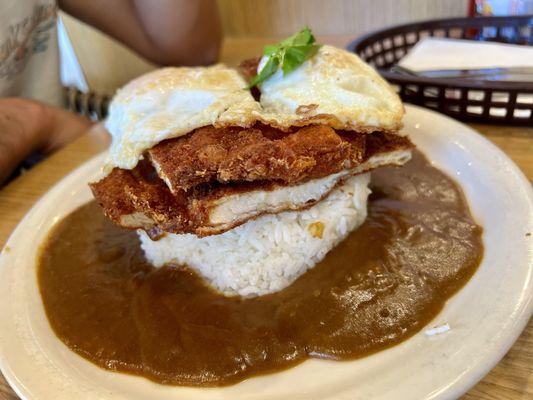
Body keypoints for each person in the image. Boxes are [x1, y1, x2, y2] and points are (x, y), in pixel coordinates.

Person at [0, 0, 222, 184]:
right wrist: (39, 122)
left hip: (55, 148)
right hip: (46, 150)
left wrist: (47, 124)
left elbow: (190, 47)